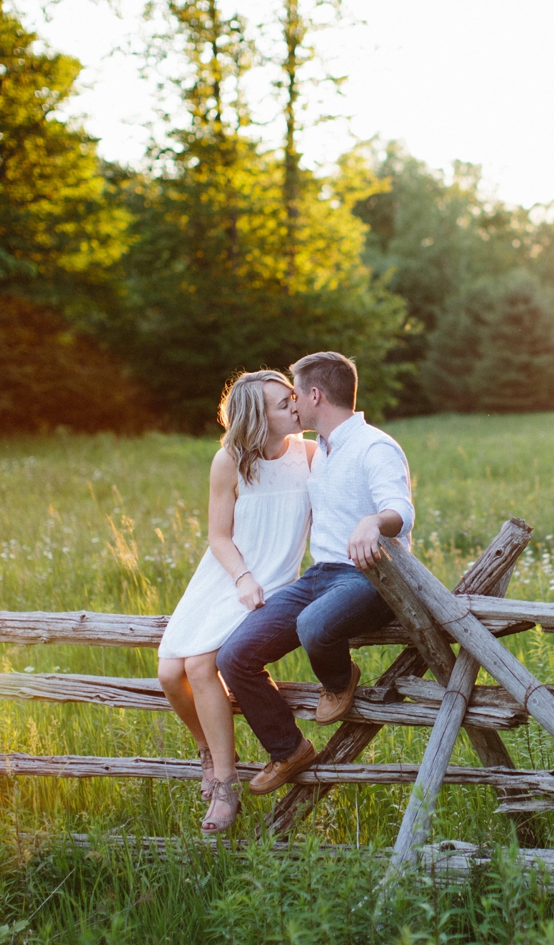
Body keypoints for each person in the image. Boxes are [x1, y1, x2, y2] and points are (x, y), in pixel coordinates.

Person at [216, 351, 414, 796]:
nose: (292, 405)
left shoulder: (374, 446)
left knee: (313, 625)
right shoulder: (317, 450)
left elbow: (400, 508)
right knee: (234, 656)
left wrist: (373, 523)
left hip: (371, 577)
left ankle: (340, 681)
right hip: (318, 576)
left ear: (315, 395)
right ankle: (288, 749)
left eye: (294, 395)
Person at [157, 370, 314, 833]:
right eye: (283, 403)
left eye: (293, 398)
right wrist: (242, 577)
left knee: (202, 666)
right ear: (256, 416)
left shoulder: (309, 455)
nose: (295, 405)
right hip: (228, 573)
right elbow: (218, 537)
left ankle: (226, 786)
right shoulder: (229, 461)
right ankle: (208, 749)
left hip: (277, 579)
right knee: (169, 672)